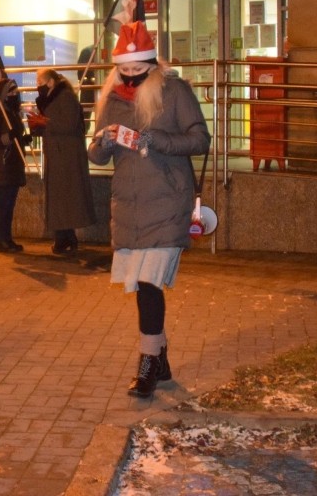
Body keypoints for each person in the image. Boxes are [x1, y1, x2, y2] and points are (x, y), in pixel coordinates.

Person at [87, 21, 211, 398]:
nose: (130, 78)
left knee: (147, 285)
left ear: (151, 64)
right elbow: (94, 153)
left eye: (137, 71)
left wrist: (158, 140)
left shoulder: (175, 90)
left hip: (168, 200)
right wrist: (105, 143)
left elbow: (199, 139)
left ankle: (146, 365)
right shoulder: (111, 96)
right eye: (123, 71)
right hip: (129, 204)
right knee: (144, 286)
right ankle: (161, 359)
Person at [28, 68, 96, 254]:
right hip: (59, 155)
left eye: (40, 81)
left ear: (50, 82)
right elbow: (56, 124)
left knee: (62, 198)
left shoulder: (64, 97)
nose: (37, 85)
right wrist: (37, 126)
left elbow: (68, 124)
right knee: (61, 199)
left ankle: (63, 239)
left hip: (66, 157)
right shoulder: (53, 97)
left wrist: (44, 123)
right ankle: (66, 238)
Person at [0, 78, 31, 253]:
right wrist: (7, 138)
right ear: (3, 94)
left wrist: (22, 140)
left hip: (12, 164)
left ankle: (7, 238)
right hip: (2, 165)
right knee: (3, 204)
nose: (14, 95)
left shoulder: (11, 112)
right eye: (11, 92)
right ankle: (1, 240)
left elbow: (15, 136)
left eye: (16, 91)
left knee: (9, 204)